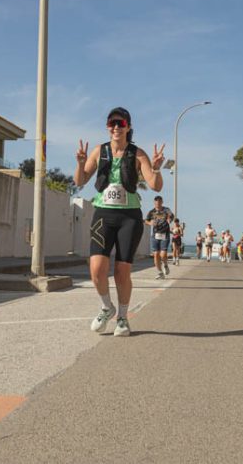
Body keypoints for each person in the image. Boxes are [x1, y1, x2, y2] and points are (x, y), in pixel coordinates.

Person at [75, 107, 165, 337]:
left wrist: (155, 167)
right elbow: (80, 181)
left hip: (129, 217)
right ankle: (107, 306)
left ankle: (123, 317)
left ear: (128, 127)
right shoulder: (99, 151)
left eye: (121, 124)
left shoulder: (138, 154)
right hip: (103, 214)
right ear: (107, 127)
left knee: (122, 272)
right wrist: (81, 163)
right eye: (112, 123)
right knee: (96, 269)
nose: (116, 127)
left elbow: (155, 185)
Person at [145, 196, 174, 279]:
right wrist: (150, 223)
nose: (158, 204)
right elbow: (146, 220)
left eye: (159, 202)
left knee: (163, 254)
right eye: (156, 203)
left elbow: (171, 215)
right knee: (156, 254)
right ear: (154, 203)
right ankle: (160, 272)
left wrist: (169, 219)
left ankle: (165, 264)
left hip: (165, 234)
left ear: (162, 202)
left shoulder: (166, 210)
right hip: (155, 235)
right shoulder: (151, 212)